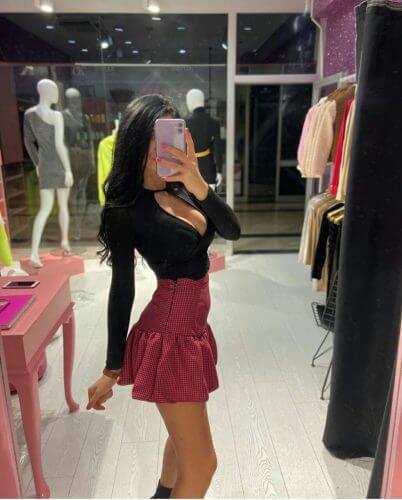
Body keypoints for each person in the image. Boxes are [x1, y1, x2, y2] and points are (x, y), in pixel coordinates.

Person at [86, 94, 241, 499]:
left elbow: (232, 230)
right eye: (159, 136)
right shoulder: (124, 211)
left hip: (192, 330)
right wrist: (112, 367)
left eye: (174, 132)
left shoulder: (184, 187)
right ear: (138, 141)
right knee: (203, 465)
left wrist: (197, 182)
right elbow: (123, 287)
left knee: (181, 440)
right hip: (170, 336)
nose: (169, 145)